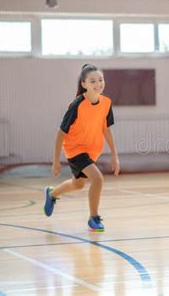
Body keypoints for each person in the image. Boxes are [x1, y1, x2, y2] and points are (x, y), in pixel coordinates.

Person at [44, 64, 120, 232]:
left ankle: (51, 194)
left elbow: (106, 129)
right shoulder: (77, 104)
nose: (98, 84)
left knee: (77, 184)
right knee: (98, 179)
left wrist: (115, 156)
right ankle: (93, 218)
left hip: (92, 151)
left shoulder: (106, 103)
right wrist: (56, 161)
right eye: (93, 81)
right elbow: (61, 133)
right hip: (75, 149)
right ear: (84, 84)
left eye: (100, 80)